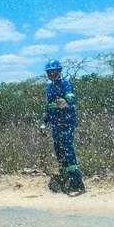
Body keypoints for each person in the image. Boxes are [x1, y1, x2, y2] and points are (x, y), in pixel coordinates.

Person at [42, 59, 85, 194]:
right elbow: (49, 106)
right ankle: (65, 176)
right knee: (59, 151)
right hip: (55, 124)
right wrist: (44, 123)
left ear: (59, 71)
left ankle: (76, 181)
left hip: (67, 122)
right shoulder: (49, 87)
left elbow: (72, 99)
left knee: (68, 149)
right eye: (49, 72)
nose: (51, 74)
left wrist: (66, 101)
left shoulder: (65, 84)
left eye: (53, 71)